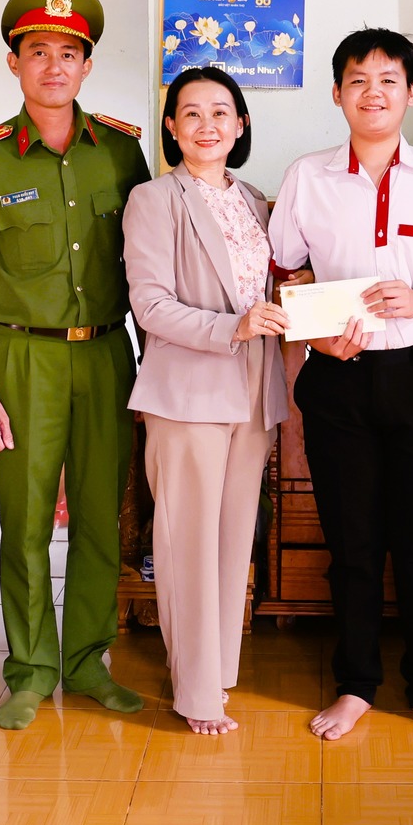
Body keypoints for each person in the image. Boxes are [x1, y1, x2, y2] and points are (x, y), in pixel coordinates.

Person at [0, 0, 150, 731]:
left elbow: (147, 268)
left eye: (68, 53)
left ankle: (88, 660)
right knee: (24, 520)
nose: (53, 66)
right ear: (14, 63)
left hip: (107, 354)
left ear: (87, 65)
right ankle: (29, 669)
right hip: (23, 358)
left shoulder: (121, 150)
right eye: (37, 52)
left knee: (100, 516)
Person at [268, 27, 413, 744]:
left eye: (389, 79)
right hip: (339, 376)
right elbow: (284, 275)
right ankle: (357, 684)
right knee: (353, 543)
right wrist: (315, 333)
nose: (374, 92)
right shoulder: (307, 176)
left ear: (411, 92)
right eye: (358, 80)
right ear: (337, 93)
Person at [124, 66, 289, 736]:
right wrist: (234, 327)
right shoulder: (153, 199)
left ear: (241, 124)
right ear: (171, 127)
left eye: (221, 112)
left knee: (230, 540)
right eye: (191, 113)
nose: (207, 125)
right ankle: (195, 694)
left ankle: (216, 672)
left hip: (254, 388)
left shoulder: (254, 199)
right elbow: (150, 304)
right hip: (188, 390)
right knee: (187, 543)